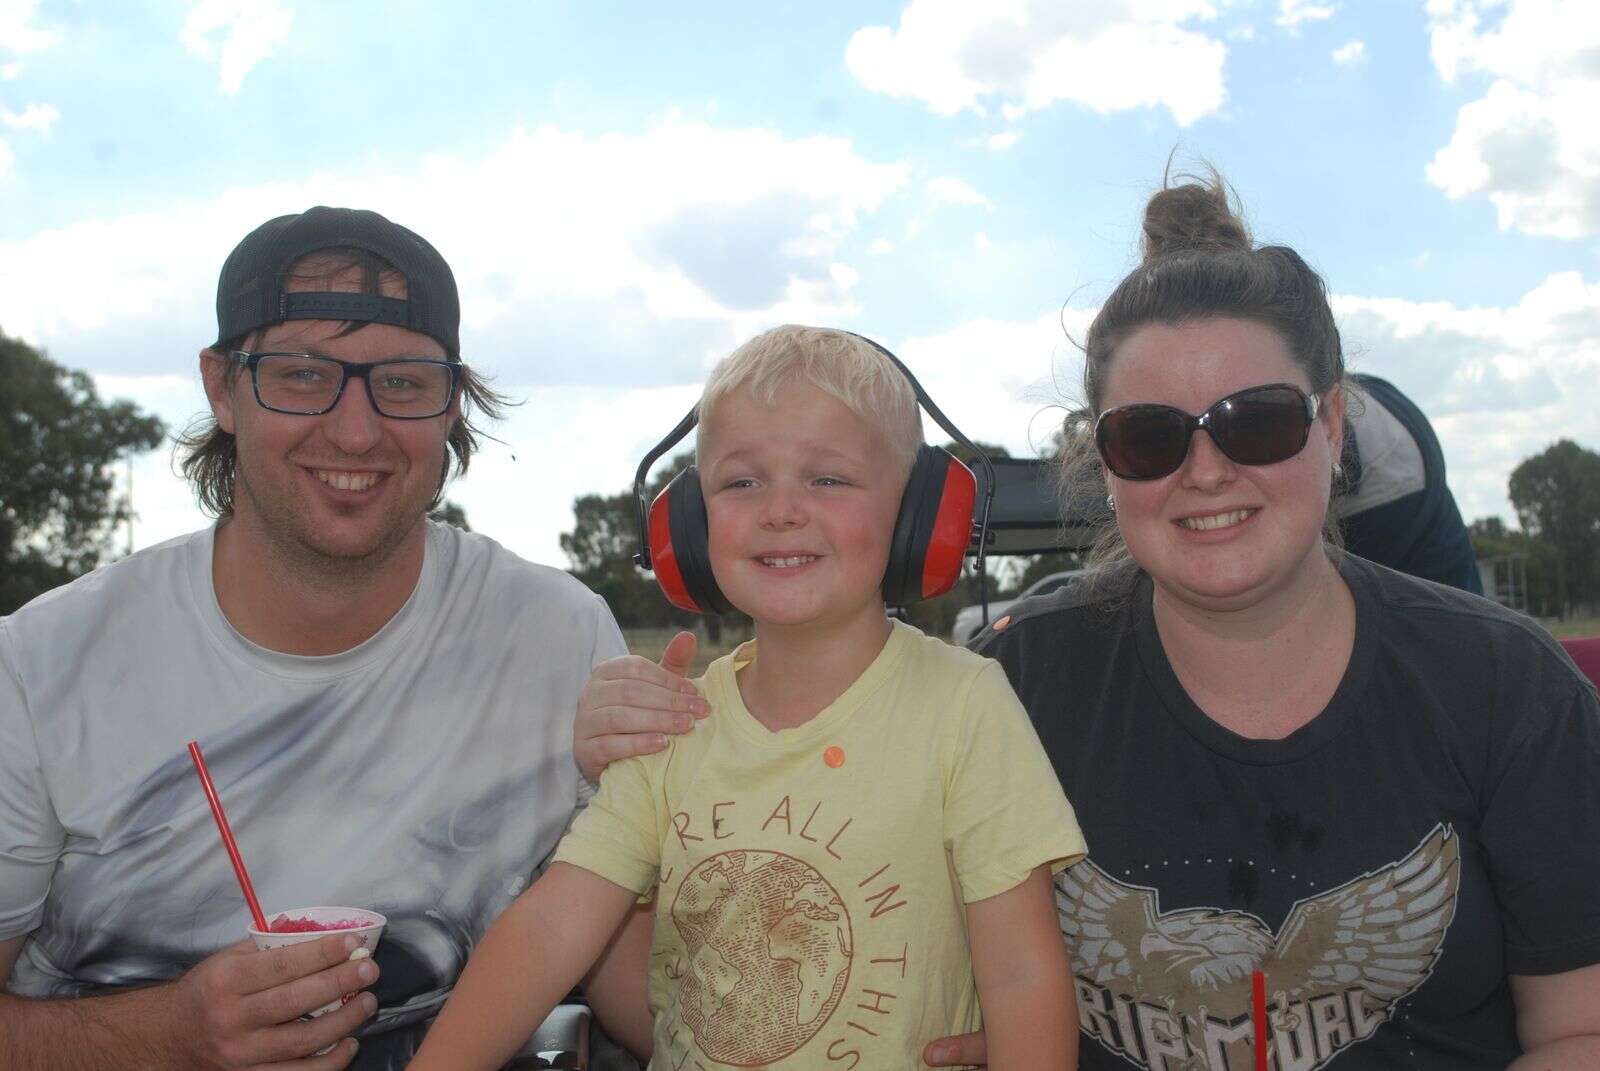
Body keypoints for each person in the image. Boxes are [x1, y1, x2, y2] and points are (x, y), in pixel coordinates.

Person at [572, 176, 1600, 1068]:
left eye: (1259, 421)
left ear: (1331, 427)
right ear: (1103, 468)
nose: (1206, 469)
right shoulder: (1006, 688)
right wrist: (641, 793)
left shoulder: (1504, 687)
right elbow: (701, 1005)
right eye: (1149, 437)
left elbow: (1580, 1032)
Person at [0, 206, 652, 1069]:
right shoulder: (40, 666)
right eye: (303, 375)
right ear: (221, 388)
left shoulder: (560, 640)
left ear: (452, 401)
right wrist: (170, 1031)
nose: (355, 430)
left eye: (406, 383)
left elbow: (634, 987)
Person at [409, 325, 1088, 1070]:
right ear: (691, 526)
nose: (781, 509)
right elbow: (549, 928)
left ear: (920, 514)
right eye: (741, 481)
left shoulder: (965, 707)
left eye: (827, 478)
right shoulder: (673, 727)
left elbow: (1023, 974)